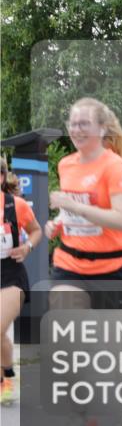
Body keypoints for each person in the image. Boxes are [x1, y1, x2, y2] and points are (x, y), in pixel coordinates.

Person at [45, 98, 122, 426]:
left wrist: (71, 205)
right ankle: (79, 413)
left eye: (84, 123)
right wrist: (58, 223)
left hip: (114, 267)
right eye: (72, 122)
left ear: (102, 129)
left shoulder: (113, 166)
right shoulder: (67, 164)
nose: (76, 129)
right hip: (71, 262)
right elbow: (79, 217)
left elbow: (121, 219)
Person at [0, 157, 42, 405]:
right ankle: (6, 375)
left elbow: (36, 230)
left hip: (10, 274)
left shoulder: (16, 206)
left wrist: (27, 247)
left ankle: (6, 377)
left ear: (2, 177)